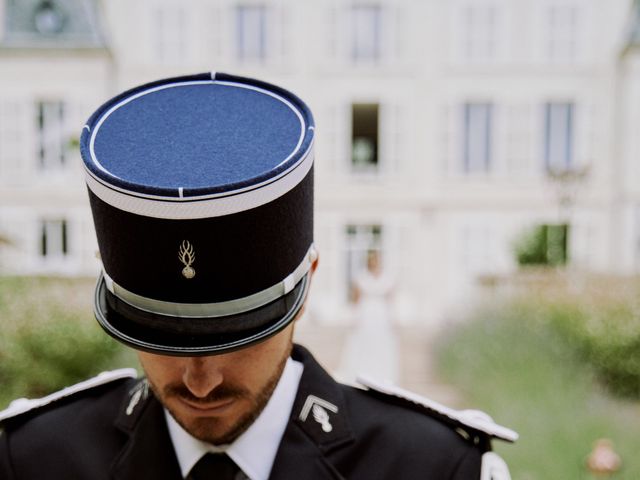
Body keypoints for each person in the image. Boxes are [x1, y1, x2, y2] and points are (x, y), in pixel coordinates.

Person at [0, 72, 516, 479]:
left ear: (307, 283)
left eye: (237, 337)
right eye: (163, 338)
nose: (201, 380)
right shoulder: (32, 460)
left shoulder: (433, 467)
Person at [339, 250, 399, 384]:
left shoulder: (388, 278)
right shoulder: (361, 277)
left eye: (376, 260)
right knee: (365, 344)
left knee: (380, 344)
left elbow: (391, 300)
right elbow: (356, 300)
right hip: (366, 313)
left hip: (381, 315)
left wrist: (392, 318)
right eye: (372, 260)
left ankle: (381, 375)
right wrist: (354, 317)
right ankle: (363, 373)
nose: (374, 262)